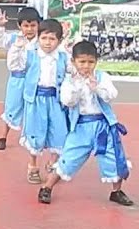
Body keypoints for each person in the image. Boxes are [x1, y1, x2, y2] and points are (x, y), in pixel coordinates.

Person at [38, 40, 133, 206]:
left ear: (96, 62)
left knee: (113, 157)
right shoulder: (69, 81)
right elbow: (67, 101)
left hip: (103, 126)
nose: (86, 66)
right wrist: (77, 88)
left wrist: (97, 88)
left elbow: (111, 95)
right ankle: (47, 187)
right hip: (81, 126)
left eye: (90, 62)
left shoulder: (102, 77)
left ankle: (116, 191)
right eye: (82, 62)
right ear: (73, 62)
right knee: (69, 157)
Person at [8, 19, 72, 185]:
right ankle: (33, 165)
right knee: (35, 133)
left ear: (59, 40)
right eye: (44, 38)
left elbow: (73, 71)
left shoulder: (63, 56)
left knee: (58, 132)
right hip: (36, 100)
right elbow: (14, 66)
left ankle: (53, 162)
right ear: (38, 38)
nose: (47, 43)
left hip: (56, 101)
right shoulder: (31, 54)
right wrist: (17, 47)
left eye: (52, 39)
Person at [0, 7, 41, 151]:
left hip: (34, 81)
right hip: (17, 81)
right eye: (26, 25)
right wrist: (0, 26)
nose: (30, 29)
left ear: (38, 25)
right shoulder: (14, 38)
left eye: (33, 26)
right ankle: (3, 136)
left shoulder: (42, 42)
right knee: (12, 107)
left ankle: (33, 138)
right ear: (20, 26)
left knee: (34, 109)